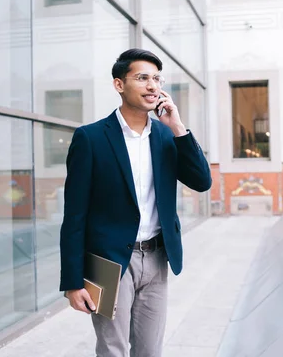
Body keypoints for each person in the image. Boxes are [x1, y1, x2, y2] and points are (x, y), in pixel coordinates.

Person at [59, 48, 212, 357]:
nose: (152, 86)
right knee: (113, 350)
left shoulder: (166, 137)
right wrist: (73, 282)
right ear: (119, 85)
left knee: (150, 351)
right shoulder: (90, 139)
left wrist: (178, 127)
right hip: (108, 262)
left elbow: (202, 181)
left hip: (156, 258)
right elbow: (74, 215)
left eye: (157, 78)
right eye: (142, 78)